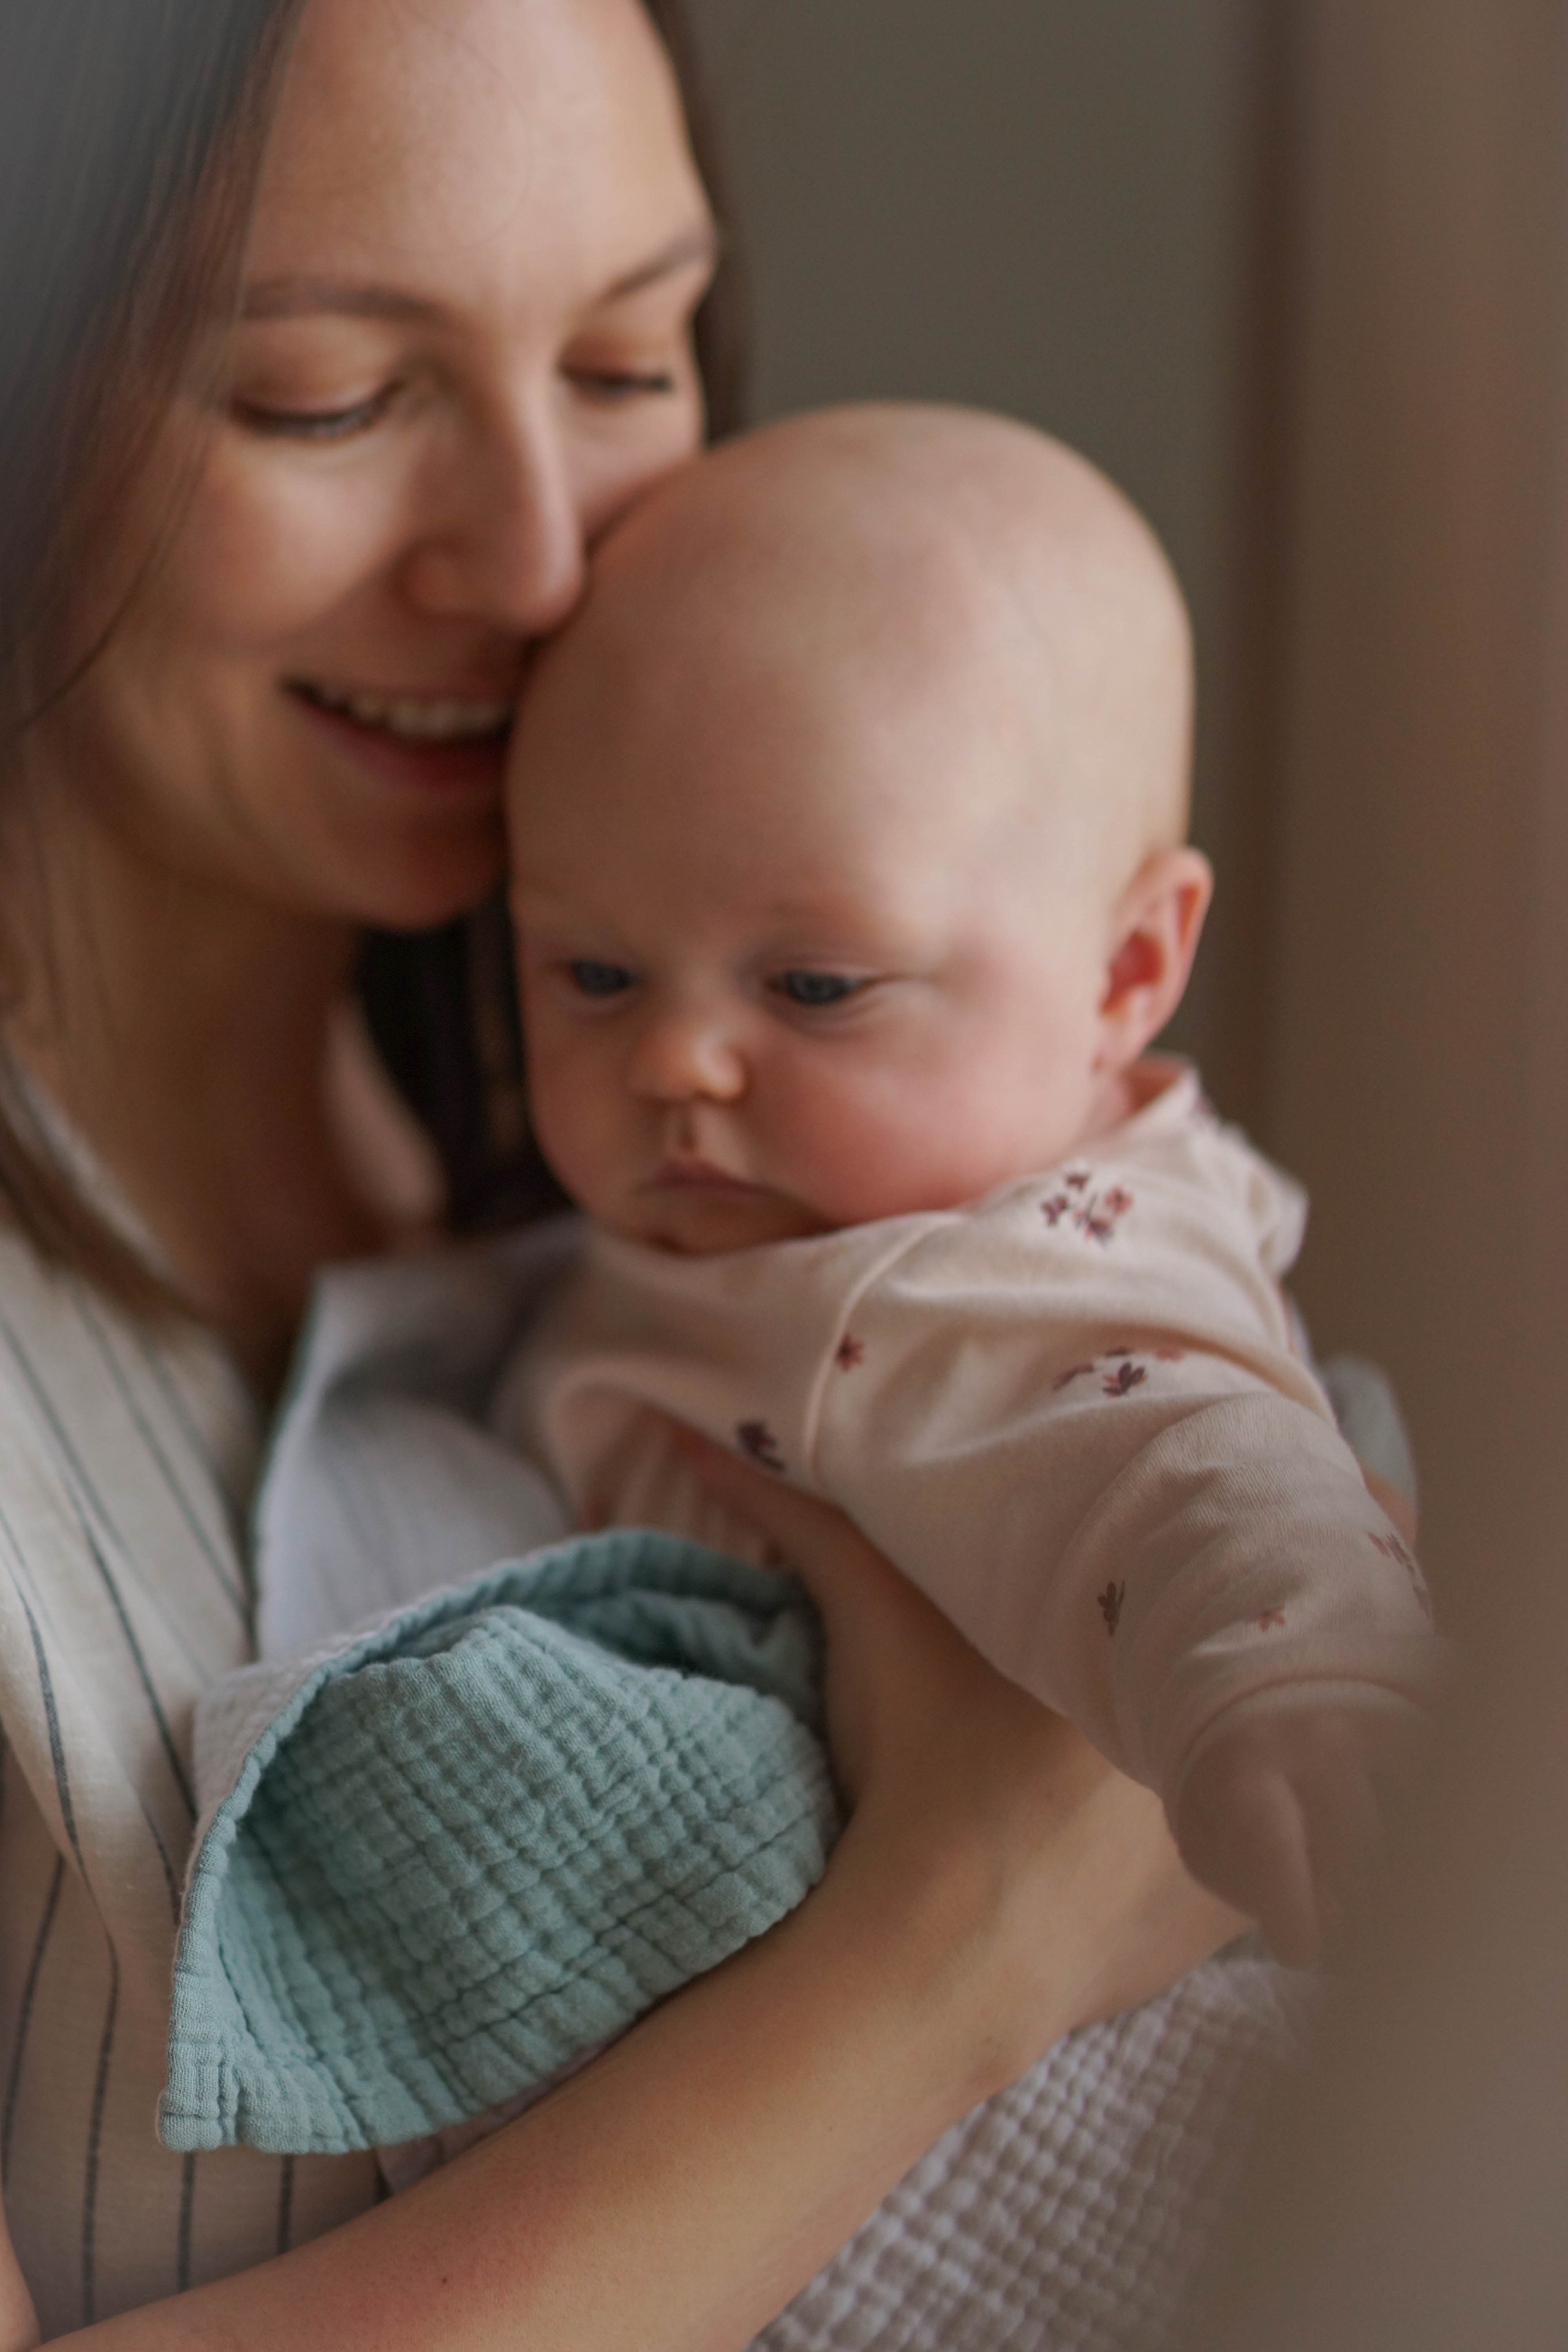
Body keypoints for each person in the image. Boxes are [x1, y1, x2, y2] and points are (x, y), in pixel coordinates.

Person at [0, 0, 1238, 2340]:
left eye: (630, 360)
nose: (547, 557)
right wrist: (958, 1946)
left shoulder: (738, 1147)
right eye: (328, 399)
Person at [496, 402, 1434, 1970]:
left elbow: (1182, 1458)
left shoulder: (1014, 1269)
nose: (676, 1062)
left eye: (811, 987)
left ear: (1122, 971)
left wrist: (1296, 1690)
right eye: (592, 970)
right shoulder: (759, 1205)